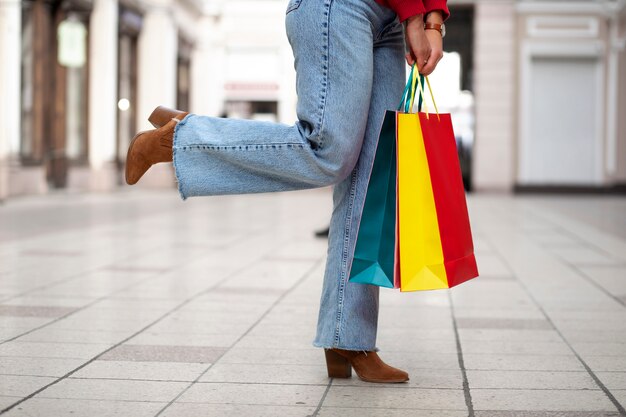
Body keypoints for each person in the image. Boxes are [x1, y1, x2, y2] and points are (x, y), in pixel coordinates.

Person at [126, 0, 448, 383]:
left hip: (393, 18)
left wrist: (433, 18)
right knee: (328, 151)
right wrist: (416, 13)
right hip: (339, 7)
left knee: (369, 178)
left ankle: (350, 338)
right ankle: (182, 139)